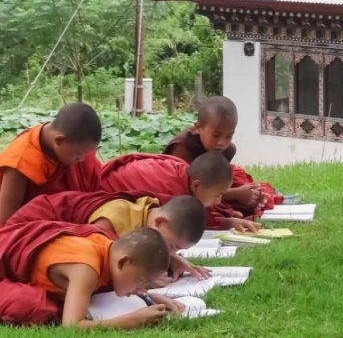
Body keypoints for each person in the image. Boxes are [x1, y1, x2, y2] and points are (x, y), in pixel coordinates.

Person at [0, 222, 177, 328]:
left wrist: (151, 298)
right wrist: (131, 320)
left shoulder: (108, 247)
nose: (141, 289)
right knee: (37, 306)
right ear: (123, 262)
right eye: (142, 281)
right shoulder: (86, 268)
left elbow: (112, 281)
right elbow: (72, 326)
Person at [8, 191, 211, 280]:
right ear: (160, 222)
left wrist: (171, 261)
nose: (170, 252)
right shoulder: (117, 217)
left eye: (177, 250)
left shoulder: (150, 216)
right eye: (173, 246)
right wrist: (146, 277)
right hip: (30, 230)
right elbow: (97, 252)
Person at [163, 95, 280, 217]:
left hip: (209, 194)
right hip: (178, 195)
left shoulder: (227, 150)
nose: (222, 143)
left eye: (229, 136)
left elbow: (217, 184)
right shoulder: (182, 148)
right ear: (198, 128)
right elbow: (187, 192)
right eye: (215, 135)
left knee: (251, 191)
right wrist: (237, 194)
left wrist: (249, 194)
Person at [100, 151, 261, 232]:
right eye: (217, 195)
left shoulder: (183, 169)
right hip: (105, 193)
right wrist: (226, 222)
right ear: (196, 185)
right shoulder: (174, 192)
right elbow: (184, 218)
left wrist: (226, 216)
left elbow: (200, 205)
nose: (219, 201)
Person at [0, 103, 102, 224]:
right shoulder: (21, 162)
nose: (82, 159)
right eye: (80, 154)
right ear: (59, 140)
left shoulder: (68, 148)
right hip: (34, 228)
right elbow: (6, 221)